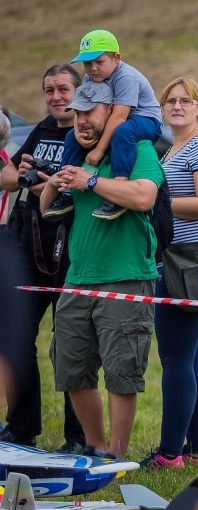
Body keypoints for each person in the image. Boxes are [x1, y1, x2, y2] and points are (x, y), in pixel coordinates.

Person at [39, 79, 164, 460]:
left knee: (122, 372)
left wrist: (91, 181)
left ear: (112, 112)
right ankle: (94, 446)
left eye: (89, 112)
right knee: (71, 368)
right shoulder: (76, 152)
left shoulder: (138, 148)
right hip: (77, 279)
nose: (81, 120)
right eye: (77, 113)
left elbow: (144, 196)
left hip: (125, 276)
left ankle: (118, 452)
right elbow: (47, 208)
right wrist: (57, 183)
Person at [0, 64, 86, 454]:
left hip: (72, 248)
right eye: (49, 90)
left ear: (79, 91)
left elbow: (76, 188)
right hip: (28, 245)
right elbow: (8, 172)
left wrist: (43, 182)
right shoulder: (41, 130)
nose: (56, 97)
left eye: (63, 89)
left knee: (69, 343)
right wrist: (24, 176)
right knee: (14, 338)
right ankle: (20, 429)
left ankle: (77, 436)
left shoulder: (87, 132)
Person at [140, 78, 198, 470]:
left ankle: (170, 454)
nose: (176, 106)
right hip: (175, 255)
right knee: (188, 358)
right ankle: (197, 451)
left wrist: (158, 204)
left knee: (176, 358)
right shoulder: (172, 148)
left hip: (189, 258)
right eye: (170, 101)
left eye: (185, 100)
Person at [44, 29, 162, 221]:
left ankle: (119, 187)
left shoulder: (126, 77)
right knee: (70, 137)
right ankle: (66, 190)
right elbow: (80, 105)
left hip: (146, 120)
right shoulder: (92, 77)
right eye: (88, 63)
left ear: (116, 58)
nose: (93, 68)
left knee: (123, 132)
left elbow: (119, 117)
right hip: (118, 119)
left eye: (100, 62)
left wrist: (99, 149)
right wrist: (78, 132)